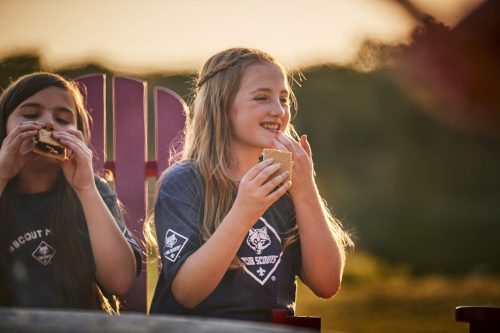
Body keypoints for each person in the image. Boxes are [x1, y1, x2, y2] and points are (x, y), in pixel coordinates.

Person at [149, 47, 353, 321]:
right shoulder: (184, 183)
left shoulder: (286, 183)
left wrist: (306, 191)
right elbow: (187, 293)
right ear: (221, 107)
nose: (279, 111)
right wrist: (244, 211)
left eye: (284, 99)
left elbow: (327, 284)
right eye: (262, 98)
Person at [0, 72, 142, 312]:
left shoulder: (92, 190)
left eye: (63, 118)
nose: (48, 124)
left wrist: (85, 189)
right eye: (31, 115)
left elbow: (121, 281)